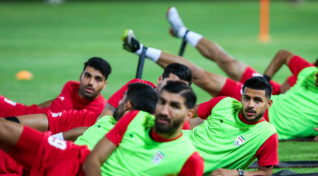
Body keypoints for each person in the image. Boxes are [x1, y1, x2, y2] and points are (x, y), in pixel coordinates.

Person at [121, 8, 318, 142]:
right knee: (227, 60)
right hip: (262, 91)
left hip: (259, 107)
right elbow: (284, 54)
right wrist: (265, 79)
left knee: (200, 75)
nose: (315, 75)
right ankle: (183, 32)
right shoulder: (311, 71)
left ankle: (141, 49)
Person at [0, 81, 204, 176]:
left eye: (174, 106)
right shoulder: (134, 119)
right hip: (67, 157)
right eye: (162, 102)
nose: (164, 110)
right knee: (5, 128)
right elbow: (92, 160)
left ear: (188, 115)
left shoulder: (189, 159)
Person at [4, 63, 193, 141]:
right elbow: (103, 122)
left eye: (180, 87)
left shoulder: (174, 119)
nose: (174, 90)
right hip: (81, 123)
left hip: (90, 139)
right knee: (12, 124)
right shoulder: (138, 87)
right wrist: (57, 139)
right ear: (160, 80)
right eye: (171, 83)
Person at [184, 76, 278, 176]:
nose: (250, 105)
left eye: (257, 100)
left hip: (185, 164)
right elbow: (185, 113)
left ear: (268, 104)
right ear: (241, 98)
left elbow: (266, 172)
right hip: (172, 145)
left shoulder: (267, 134)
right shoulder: (224, 103)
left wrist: (237, 173)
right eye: (246, 98)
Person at [0, 57, 110, 117]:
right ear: (81, 76)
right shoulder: (70, 87)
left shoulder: (102, 111)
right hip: (31, 119)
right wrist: (30, 111)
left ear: (104, 85)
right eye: (87, 76)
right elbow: (51, 104)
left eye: (98, 79)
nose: (91, 82)